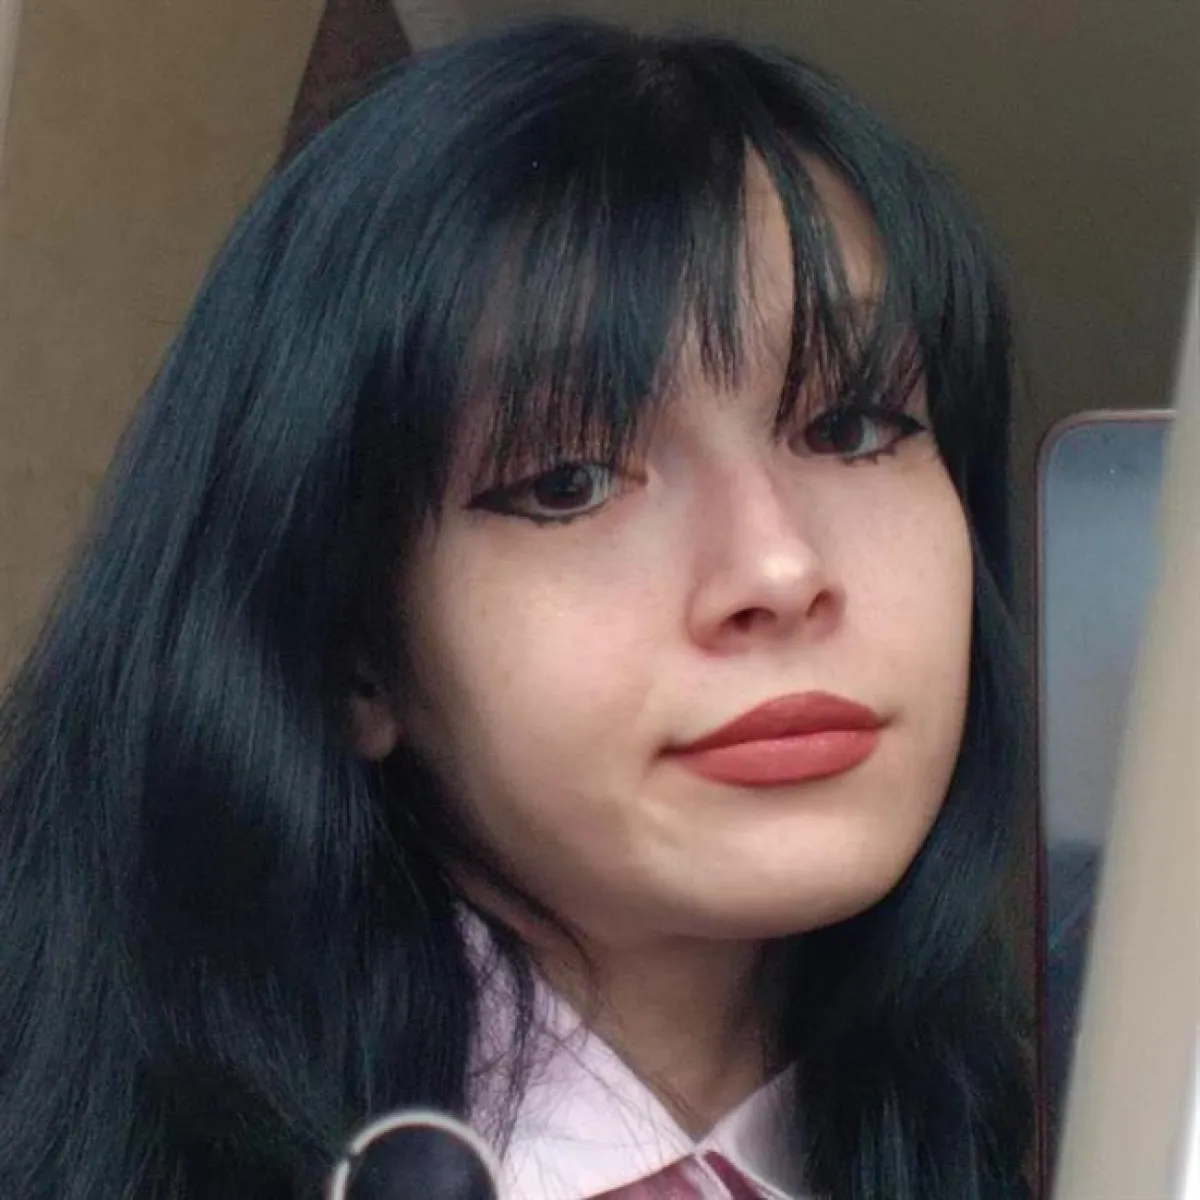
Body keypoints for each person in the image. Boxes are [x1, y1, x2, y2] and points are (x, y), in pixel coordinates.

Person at [0, 17, 1033, 1199]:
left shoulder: (1060, 1125)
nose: (779, 568)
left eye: (852, 426)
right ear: (353, 652)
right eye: (566, 481)